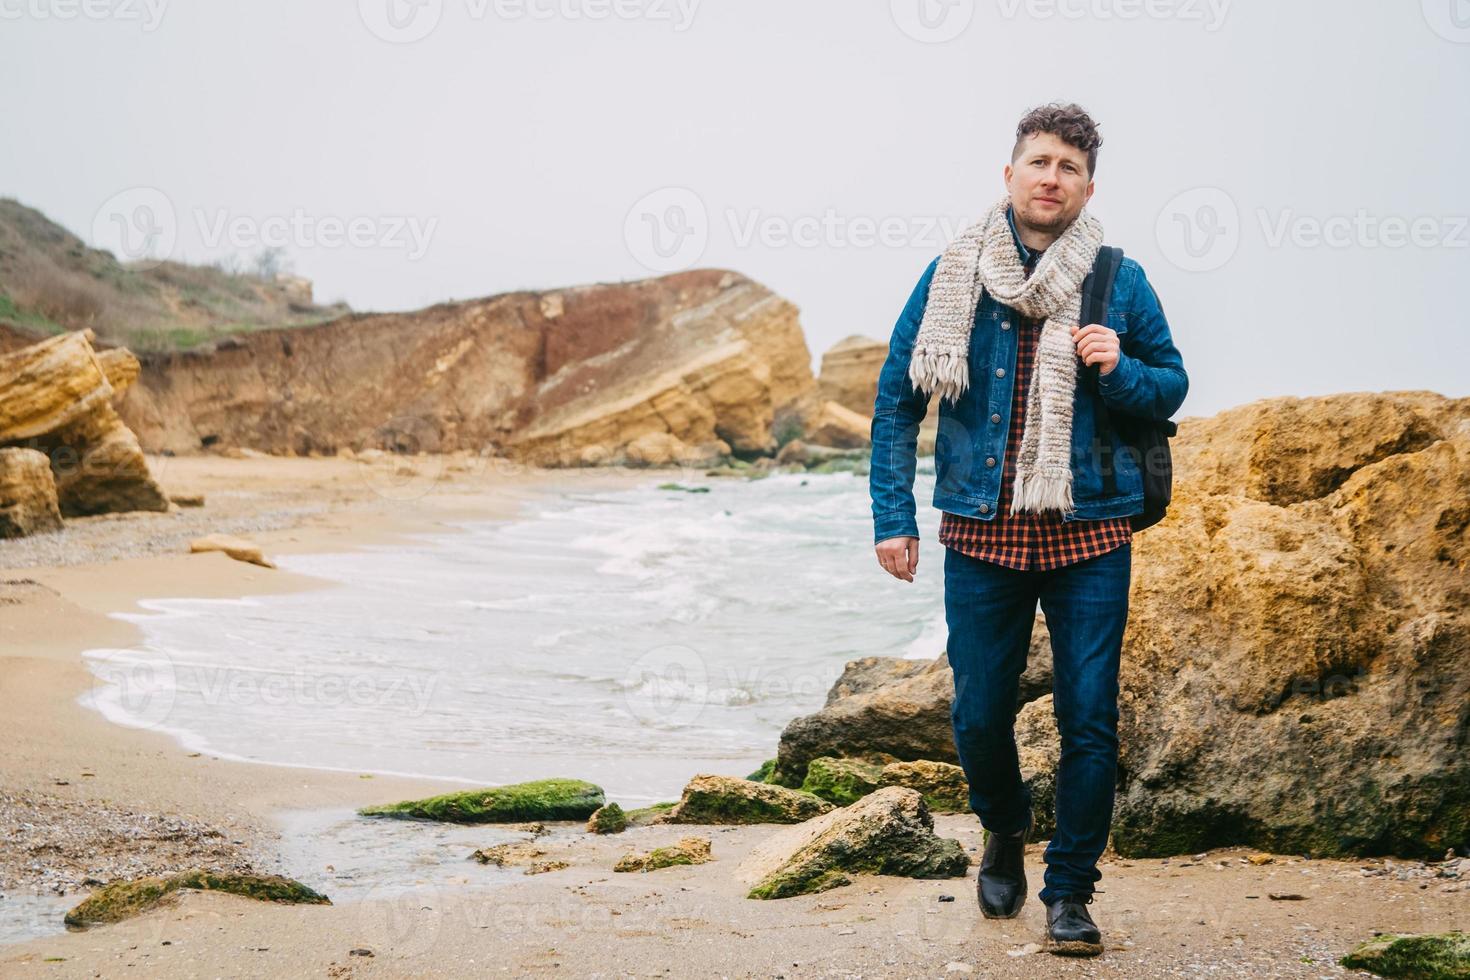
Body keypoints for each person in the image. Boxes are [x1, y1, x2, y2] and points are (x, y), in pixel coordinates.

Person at [867, 102, 1188, 957]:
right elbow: (898, 403)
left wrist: (1121, 369)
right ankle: (1004, 829)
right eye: (1039, 162)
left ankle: (1070, 893)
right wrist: (892, 518)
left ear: (1088, 186)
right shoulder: (954, 273)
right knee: (976, 714)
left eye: (1069, 168)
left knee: (1090, 720)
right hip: (980, 534)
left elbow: (1172, 386)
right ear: (1009, 173)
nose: (1052, 178)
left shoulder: (1119, 279)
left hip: (1089, 535)